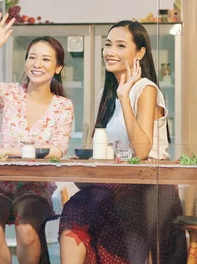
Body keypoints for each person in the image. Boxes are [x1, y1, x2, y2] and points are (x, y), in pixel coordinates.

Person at [58, 20, 186, 264]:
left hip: (147, 187)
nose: (110, 52)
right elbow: (102, 150)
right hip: (113, 184)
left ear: (139, 53)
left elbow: (141, 150)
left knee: (88, 207)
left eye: (120, 45)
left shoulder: (145, 90)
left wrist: (125, 98)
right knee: (77, 206)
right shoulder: (105, 94)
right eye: (108, 45)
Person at [0, 14, 74, 264]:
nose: (37, 64)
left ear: (58, 68)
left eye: (45, 59)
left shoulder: (63, 106)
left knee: (27, 232)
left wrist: (7, 151)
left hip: (35, 187)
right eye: (32, 57)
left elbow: (57, 150)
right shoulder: (9, 93)